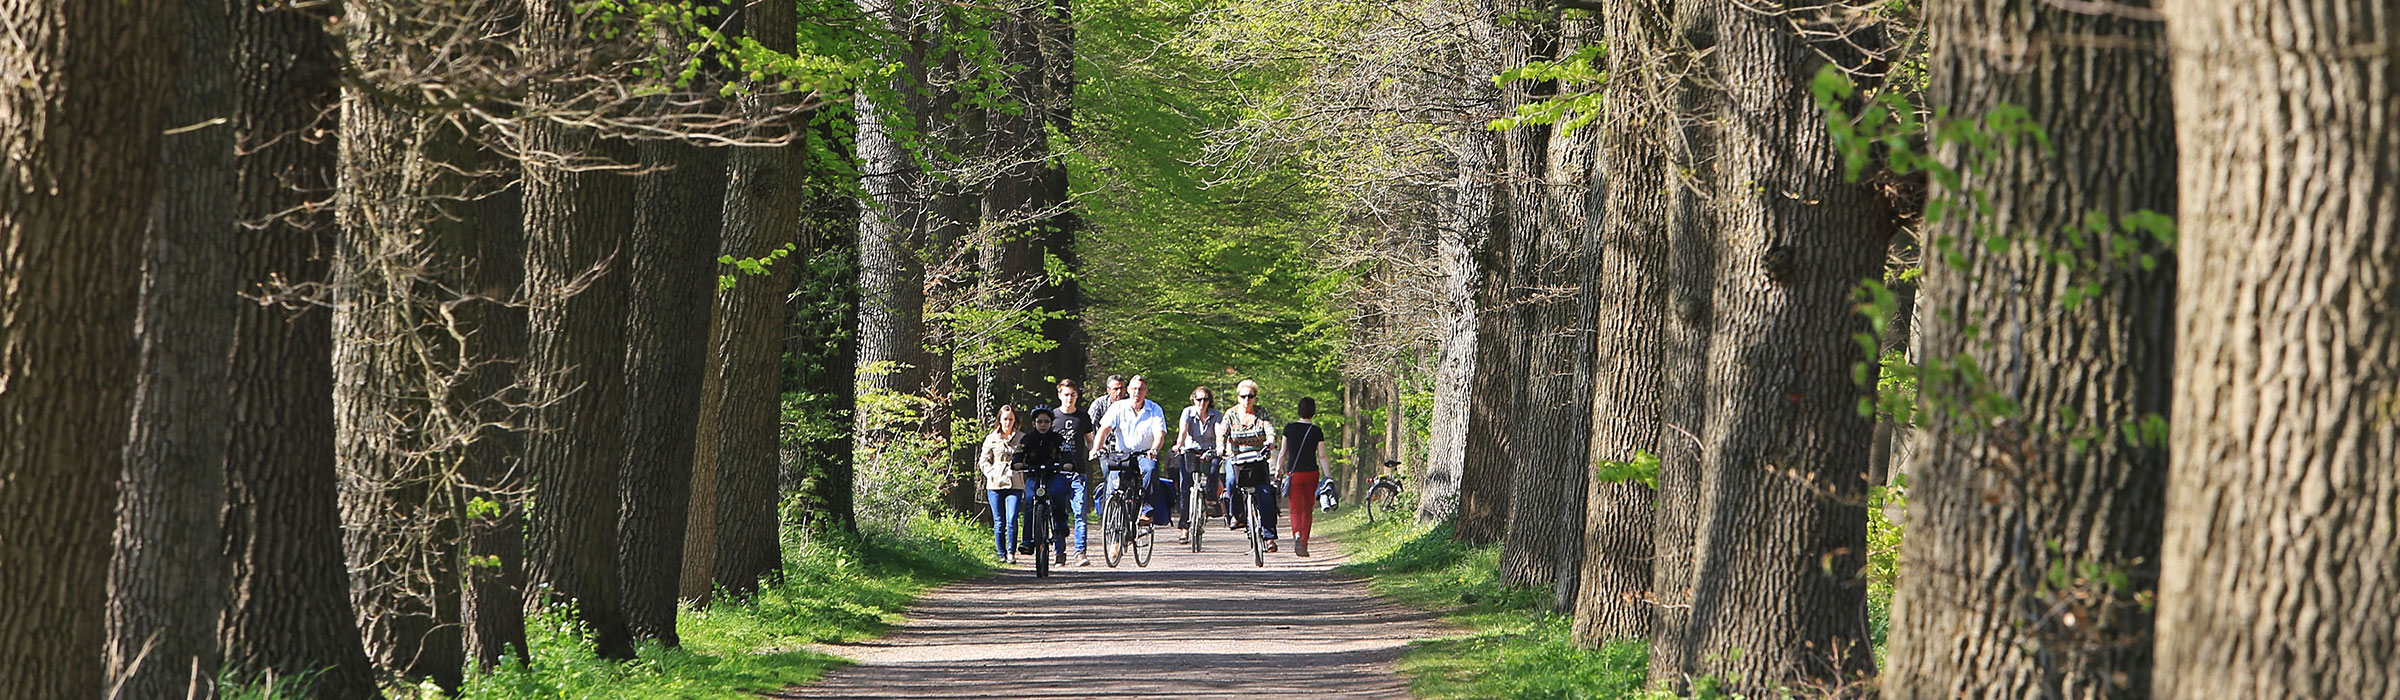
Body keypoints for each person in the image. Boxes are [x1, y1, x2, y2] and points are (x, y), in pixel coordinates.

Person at [1035, 379, 1098, 567]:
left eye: (1072, 394)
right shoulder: (1052, 417)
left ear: (1077, 396)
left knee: (1080, 513)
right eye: (1066, 394)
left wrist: (1094, 450)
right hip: (1057, 473)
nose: (1069, 398)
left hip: (1078, 472)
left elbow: (1089, 439)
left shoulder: (1083, 417)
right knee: (1058, 513)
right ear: (1059, 395)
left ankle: (1080, 552)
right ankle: (1059, 552)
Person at [1091, 374, 1168, 525]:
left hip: (1145, 454)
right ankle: (1110, 516)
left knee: (1150, 469)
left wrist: (1154, 449)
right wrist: (1096, 448)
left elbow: (1160, 434)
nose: (1137, 393)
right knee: (1113, 480)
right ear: (1128, 390)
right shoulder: (1118, 407)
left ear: (1146, 391)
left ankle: (1146, 511)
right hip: (1122, 454)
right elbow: (1104, 429)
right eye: (1134, 389)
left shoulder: (1154, 409)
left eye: (1140, 389)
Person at [1218, 379, 1278, 551]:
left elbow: (1269, 429)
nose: (1247, 400)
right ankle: (1237, 515)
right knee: (1231, 482)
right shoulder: (1231, 414)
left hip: (1257, 458)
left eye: (1250, 396)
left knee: (1265, 493)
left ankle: (1269, 537)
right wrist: (1221, 447)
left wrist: (1271, 441)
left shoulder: (1261, 413)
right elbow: (1222, 433)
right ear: (1238, 397)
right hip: (1236, 457)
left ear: (1255, 397)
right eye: (1243, 396)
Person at [1276, 397, 1333, 558]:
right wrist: (1328, 476)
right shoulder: (1316, 431)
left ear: (1298, 410)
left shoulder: (1289, 429)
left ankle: (1296, 534)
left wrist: (1278, 470)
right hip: (1311, 474)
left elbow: (1283, 453)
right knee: (1307, 510)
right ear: (1313, 412)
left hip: (1294, 474)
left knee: (1295, 508)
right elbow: (1322, 456)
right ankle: (1304, 543)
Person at [1016, 408, 1072, 565]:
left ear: (1051, 423)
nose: (1043, 425)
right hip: (1034, 475)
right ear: (1034, 423)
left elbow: (1066, 452)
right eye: (1039, 421)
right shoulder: (1027, 439)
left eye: (1046, 421)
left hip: (1053, 474)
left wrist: (1067, 463)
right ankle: (1027, 540)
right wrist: (1017, 463)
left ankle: (1060, 524)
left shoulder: (1057, 438)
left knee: (1058, 493)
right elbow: (1018, 454)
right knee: (1029, 502)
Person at [1172, 386, 1223, 544]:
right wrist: (1178, 445)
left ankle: (1210, 500)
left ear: (1209, 401)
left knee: (1214, 469)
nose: (1202, 402)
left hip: (1210, 450)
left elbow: (1219, 431)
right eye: (1199, 399)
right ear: (1193, 399)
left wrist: (1221, 447)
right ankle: (1185, 529)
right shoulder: (1188, 412)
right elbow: (1183, 431)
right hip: (1190, 450)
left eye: (1205, 399)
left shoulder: (1216, 415)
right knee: (1185, 487)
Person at [977, 405, 1025, 563]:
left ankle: (1012, 552)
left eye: (1011, 419)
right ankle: (1001, 553)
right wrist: (991, 473)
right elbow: (983, 461)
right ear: (999, 420)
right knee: (999, 521)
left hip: (1015, 483)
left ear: (1015, 421)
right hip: (995, 485)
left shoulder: (1021, 438)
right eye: (1005, 419)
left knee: (1012, 519)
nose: (1008, 422)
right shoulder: (991, 438)